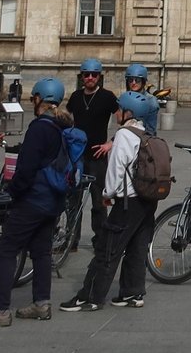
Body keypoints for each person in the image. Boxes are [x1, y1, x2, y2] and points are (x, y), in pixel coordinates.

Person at [0, 78, 73, 327]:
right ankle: (41, 304)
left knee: (6, 250)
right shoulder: (61, 127)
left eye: (33, 98)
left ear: (38, 98)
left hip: (33, 199)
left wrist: (12, 192)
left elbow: (26, 170)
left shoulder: (39, 128)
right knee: (41, 252)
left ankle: (1, 309)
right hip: (53, 201)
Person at [62, 91, 161, 312]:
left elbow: (116, 170)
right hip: (146, 200)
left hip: (127, 201)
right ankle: (132, 293)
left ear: (129, 112)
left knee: (108, 249)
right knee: (137, 247)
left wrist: (108, 194)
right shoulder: (143, 132)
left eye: (120, 109)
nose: (116, 113)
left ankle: (90, 296)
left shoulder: (125, 135)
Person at [67, 58, 118, 249]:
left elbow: (125, 122)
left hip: (98, 157)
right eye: (86, 75)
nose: (89, 78)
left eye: (93, 75)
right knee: (74, 200)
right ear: (81, 77)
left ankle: (101, 240)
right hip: (77, 156)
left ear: (99, 77)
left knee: (99, 201)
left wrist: (110, 143)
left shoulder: (107, 97)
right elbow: (67, 119)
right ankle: (71, 239)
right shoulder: (75, 97)